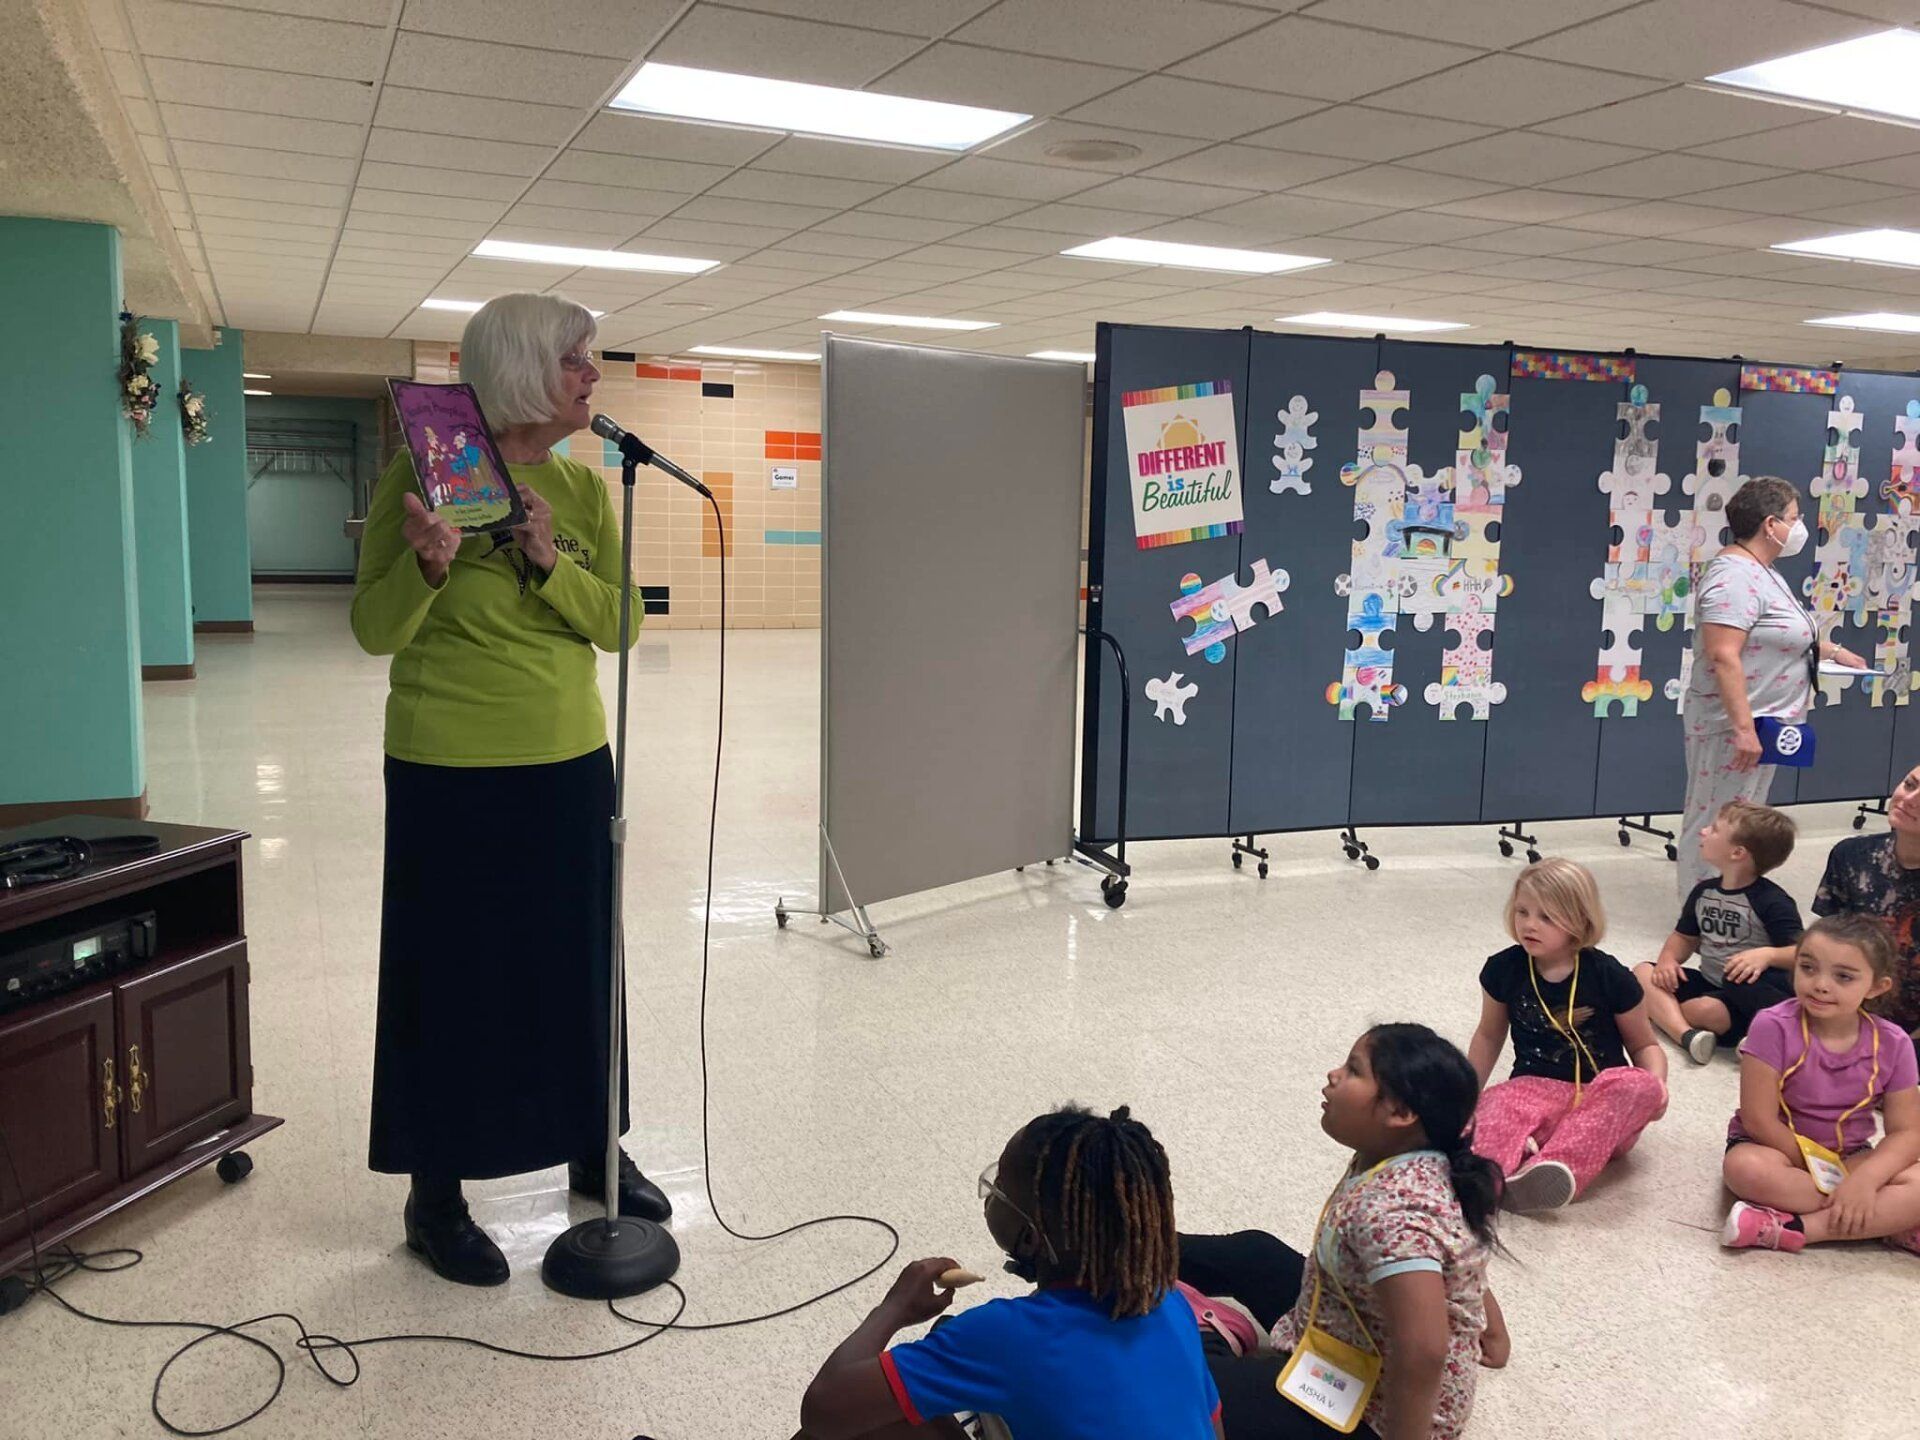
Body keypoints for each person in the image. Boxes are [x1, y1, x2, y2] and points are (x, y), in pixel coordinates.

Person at [351, 292, 668, 1287]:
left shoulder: (580, 496)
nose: (593, 378)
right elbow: (374, 629)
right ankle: (435, 1194)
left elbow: (620, 626)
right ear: (530, 368)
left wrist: (544, 563)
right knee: (453, 979)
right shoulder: (424, 473)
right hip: (449, 764)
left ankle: (590, 1146)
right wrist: (428, 567)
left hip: (569, 757)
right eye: (580, 360)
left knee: (575, 963)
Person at [796, 1105, 1220, 1440]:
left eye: (999, 1185)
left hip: (993, 1351)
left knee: (857, 1426)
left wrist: (895, 1307)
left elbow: (823, 1408)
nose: (992, 1190)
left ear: (1031, 1238)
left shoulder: (1004, 1335)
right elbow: (1213, 1425)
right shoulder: (1170, 1302)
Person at [1176, 1024, 1509, 1440]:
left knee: (1182, 1378)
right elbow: (1457, 1252)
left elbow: (1424, 1350)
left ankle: (1206, 1336)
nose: (1334, 1075)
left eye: (1354, 1070)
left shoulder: (1393, 1213)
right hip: (1346, 1331)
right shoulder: (1408, 1155)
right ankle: (1124, 1249)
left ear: (1401, 1113)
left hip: (1372, 1415)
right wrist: (1491, 1331)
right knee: (1255, 1252)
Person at [1677, 476, 1868, 900]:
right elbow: (1724, 654)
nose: (1798, 527)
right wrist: (1744, 729)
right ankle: (1698, 910)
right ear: (1770, 524)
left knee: (1744, 821)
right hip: (1735, 726)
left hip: (1768, 723)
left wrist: (1834, 652)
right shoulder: (1732, 577)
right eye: (1794, 518)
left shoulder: (1764, 571)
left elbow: (1781, 630)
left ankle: (1732, 898)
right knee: (1716, 820)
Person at [1468, 858, 1669, 1211]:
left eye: (1546, 917)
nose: (1529, 924)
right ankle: (1488, 1176)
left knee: (1637, 1084)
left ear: (1579, 920)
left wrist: (1657, 1087)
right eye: (1522, 912)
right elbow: (1488, 1036)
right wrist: (1465, 1095)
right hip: (1534, 1088)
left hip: (1600, 1097)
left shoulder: (1611, 976)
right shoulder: (1503, 969)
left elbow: (1645, 1045)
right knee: (1496, 1104)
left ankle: (1550, 1170)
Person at [1720, 915, 1920, 1254]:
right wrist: (1838, 1182)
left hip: (1852, 1155)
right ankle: (1881, 1222)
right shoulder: (1772, 1025)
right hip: (1777, 1150)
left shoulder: (1894, 1043)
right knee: (1746, 1170)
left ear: (1876, 987)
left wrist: (1865, 1181)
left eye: (1843, 976)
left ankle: (1793, 1229)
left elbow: (1907, 1133)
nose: (1821, 984)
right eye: (1808, 968)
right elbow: (1758, 1119)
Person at [1636, 800, 1802, 1064]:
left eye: (1713, 829)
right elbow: (1684, 937)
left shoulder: (1773, 901)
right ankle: (1688, 1036)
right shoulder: (1704, 892)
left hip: (1748, 994)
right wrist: (1668, 960)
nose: (1703, 832)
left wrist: (1768, 955)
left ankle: (1765, 1033)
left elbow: (1802, 954)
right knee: (1642, 974)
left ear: (1737, 853)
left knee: (1703, 1009)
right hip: (1709, 980)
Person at [1813, 762, 1920, 1037]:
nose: (1909, 800)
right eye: (1909, 785)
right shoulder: (1852, 855)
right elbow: (1827, 943)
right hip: (1847, 1010)